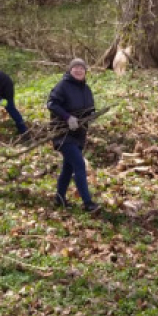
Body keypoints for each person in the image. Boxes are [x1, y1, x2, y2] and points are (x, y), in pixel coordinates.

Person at [46, 58, 100, 213]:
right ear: (70, 70)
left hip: (79, 134)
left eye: (81, 68)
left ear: (85, 72)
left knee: (68, 168)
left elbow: (89, 109)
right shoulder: (63, 86)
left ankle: (59, 198)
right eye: (75, 67)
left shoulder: (86, 89)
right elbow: (51, 103)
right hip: (62, 133)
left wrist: (91, 115)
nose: (78, 70)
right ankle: (88, 203)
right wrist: (67, 117)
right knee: (79, 165)